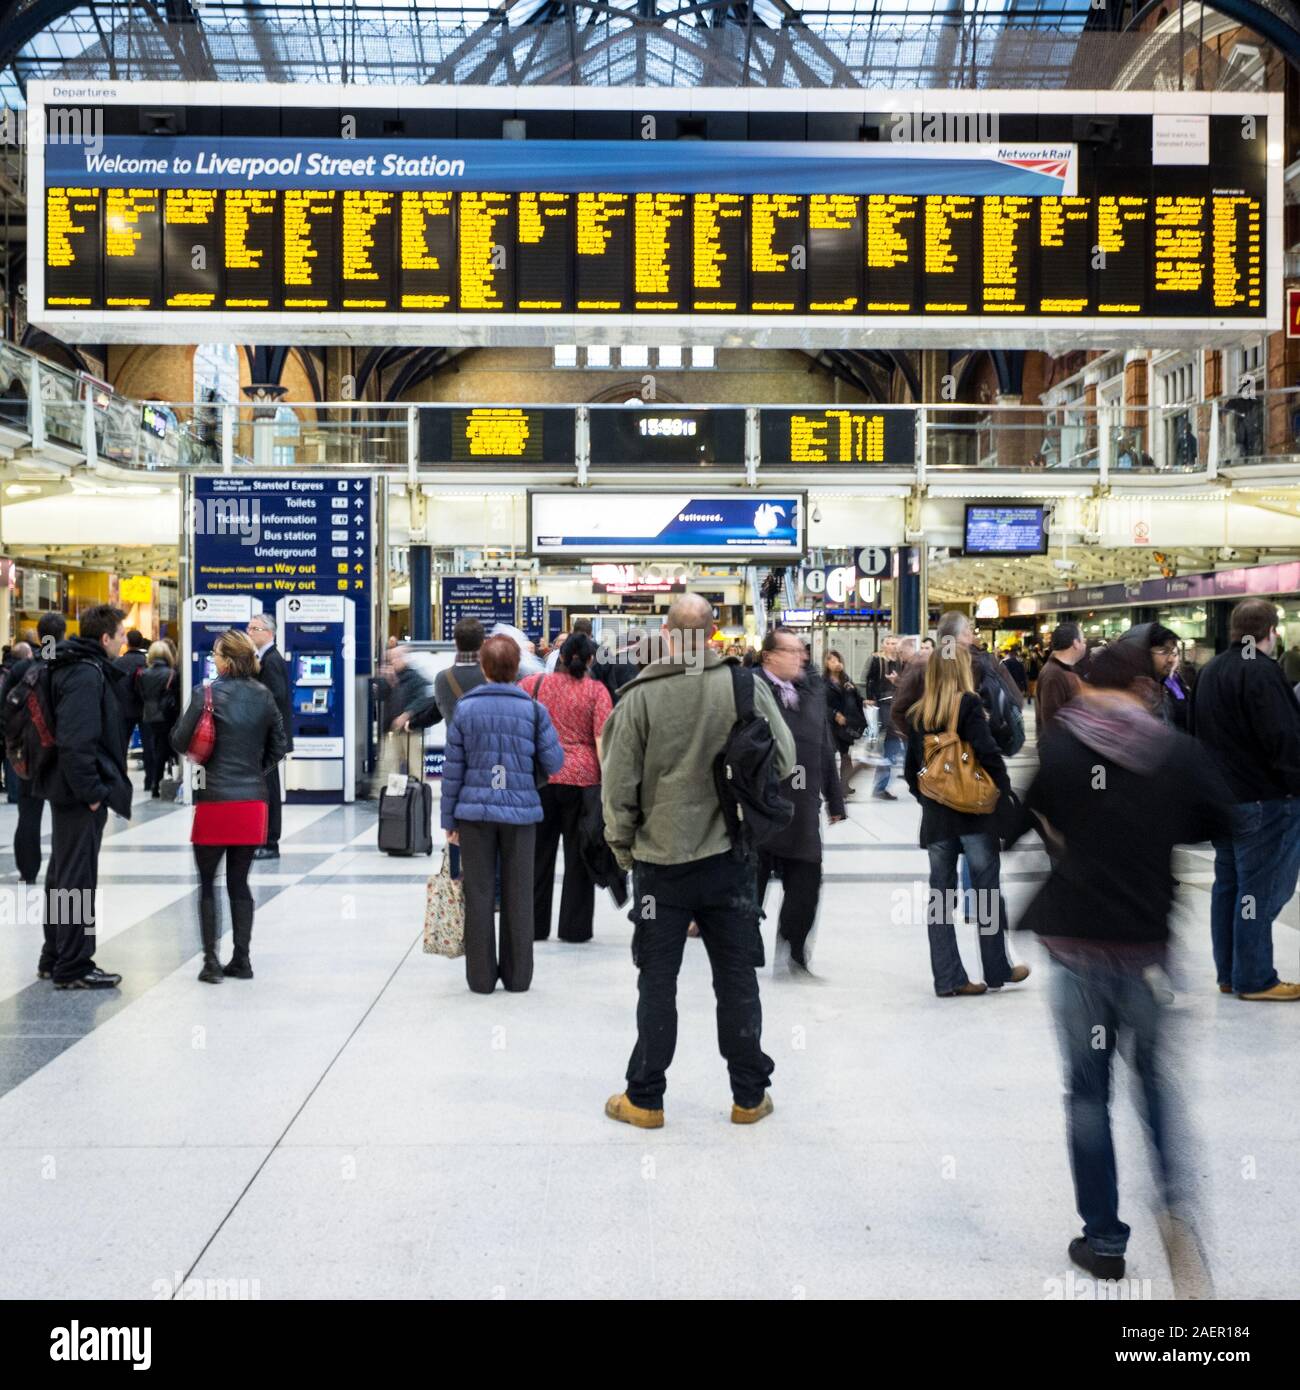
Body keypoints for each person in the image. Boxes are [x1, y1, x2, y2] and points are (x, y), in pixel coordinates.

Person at [1010, 639, 1229, 1289]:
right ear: (1139, 686)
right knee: (1157, 1086)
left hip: (1076, 945)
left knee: (1087, 1092)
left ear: (1090, 685)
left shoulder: (1063, 745)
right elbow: (1223, 822)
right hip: (1148, 950)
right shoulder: (1173, 752)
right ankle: (1174, 1209)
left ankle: (1103, 1240)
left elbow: (1016, 824)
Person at [600, 594, 796, 1129]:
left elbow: (617, 787)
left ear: (666, 634)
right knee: (736, 977)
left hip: (658, 866)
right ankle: (748, 1097)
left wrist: (623, 850)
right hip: (731, 858)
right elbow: (785, 759)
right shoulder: (743, 685)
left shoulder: (637, 699)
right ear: (713, 635)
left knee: (657, 980)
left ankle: (645, 1099)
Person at [440, 634, 564, 994]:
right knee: (519, 894)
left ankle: (480, 979)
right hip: (521, 814)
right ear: (517, 668)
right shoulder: (533, 710)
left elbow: (453, 770)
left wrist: (449, 822)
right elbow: (554, 762)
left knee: (478, 894)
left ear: (483, 667)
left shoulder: (465, 709)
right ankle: (518, 977)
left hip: (474, 815)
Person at [903, 640, 1027, 997]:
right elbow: (988, 754)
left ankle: (949, 978)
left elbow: (913, 771)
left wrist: (931, 800)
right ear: (960, 671)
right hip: (975, 815)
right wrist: (1003, 795)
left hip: (937, 819)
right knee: (986, 893)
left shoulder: (918, 713)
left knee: (940, 897)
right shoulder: (969, 704)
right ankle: (996, 968)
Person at [1190, 598, 1300, 1000]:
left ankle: (1230, 972)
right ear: (1271, 631)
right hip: (1263, 801)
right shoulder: (1263, 672)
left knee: (1230, 887)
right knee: (1259, 890)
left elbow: (1194, 734)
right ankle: (1255, 978)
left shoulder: (1211, 670)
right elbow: (1284, 740)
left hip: (1224, 802)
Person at [172, 629, 287, 983]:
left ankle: (210, 963)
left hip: (214, 802)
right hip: (252, 803)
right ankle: (242, 960)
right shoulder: (264, 696)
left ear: (226, 659)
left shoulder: (205, 694)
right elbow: (279, 746)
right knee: (240, 882)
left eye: (216, 653)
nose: (213, 658)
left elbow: (178, 739)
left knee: (208, 883)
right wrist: (255, 771)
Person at [34, 604, 133, 989]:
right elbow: (77, 742)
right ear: (105, 638)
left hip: (64, 789)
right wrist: (92, 793)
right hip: (77, 793)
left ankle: (55, 954)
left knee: (62, 875)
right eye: (121, 636)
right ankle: (73, 964)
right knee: (76, 880)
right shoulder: (85, 674)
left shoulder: (68, 664)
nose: (125, 641)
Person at [758, 629, 846, 976]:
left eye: (801, 651)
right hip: (759, 810)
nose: (801, 657)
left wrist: (835, 798)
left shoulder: (811, 691)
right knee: (749, 887)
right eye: (791, 651)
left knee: (807, 883)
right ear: (768, 657)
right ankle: (742, 947)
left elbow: (824, 744)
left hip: (803, 807)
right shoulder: (750, 689)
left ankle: (794, 949)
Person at [520, 632, 613, 943]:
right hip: (584, 782)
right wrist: (609, 785)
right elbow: (602, 741)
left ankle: (533, 925)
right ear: (590, 660)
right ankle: (574, 929)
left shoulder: (535, 685)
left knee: (539, 854)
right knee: (578, 855)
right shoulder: (597, 692)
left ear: (559, 657)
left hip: (542, 778)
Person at [246, 614, 294, 861]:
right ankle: (264, 839)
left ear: (269, 633)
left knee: (270, 790)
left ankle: (271, 842)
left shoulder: (271, 660)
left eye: (255, 628)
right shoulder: (263, 658)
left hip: (271, 740)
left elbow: (275, 697)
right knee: (265, 789)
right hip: (267, 738)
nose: (250, 632)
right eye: (249, 627)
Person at [864, 634, 906, 800]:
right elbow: (870, 680)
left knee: (895, 744)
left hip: (900, 704)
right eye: (888, 643)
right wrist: (871, 698)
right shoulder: (877, 661)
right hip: (885, 704)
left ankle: (882, 784)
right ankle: (880, 785)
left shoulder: (902, 662)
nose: (891, 646)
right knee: (891, 742)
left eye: (894, 643)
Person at [138, 641, 180, 797]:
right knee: (164, 749)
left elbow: (140, 694)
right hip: (166, 716)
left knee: (152, 748)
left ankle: (152, 781)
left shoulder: (143, 674)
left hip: (148, 715)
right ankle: (159, 782)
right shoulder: (171, 673)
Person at [823, 648, 866, 798]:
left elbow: (856, 698)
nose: (835, 663)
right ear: (825, 663)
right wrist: (834, 714)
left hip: (846, 723)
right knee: (830, 755)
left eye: (837, 660)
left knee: (845, 755)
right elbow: (820, 704)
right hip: (830, 724)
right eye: (831, 660)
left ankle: (844, 785)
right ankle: (831, 786)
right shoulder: (823, 682)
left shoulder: (846, 679)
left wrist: (862, 699)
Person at [433, 617, 488, 723]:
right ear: (483, 643)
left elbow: (436, 711)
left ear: (456, 643)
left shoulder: (442, 678)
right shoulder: (493, 675)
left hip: (455, 738)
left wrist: (412, 723)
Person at [1035, 622, 1087, 734]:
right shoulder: (1054, 675)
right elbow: (1052, 722)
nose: (1085, 644)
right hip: (1062, 749)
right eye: (1083, 640)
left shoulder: (1062, 670)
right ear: (1075, 643)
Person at [112, 628, 149, 780]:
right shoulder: (146, 662)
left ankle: (121, 776)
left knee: (121, 746)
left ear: (127, 643)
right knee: (148, 746)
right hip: (144, 710)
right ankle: (150, 779)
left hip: (123, 710)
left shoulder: (117, 663)